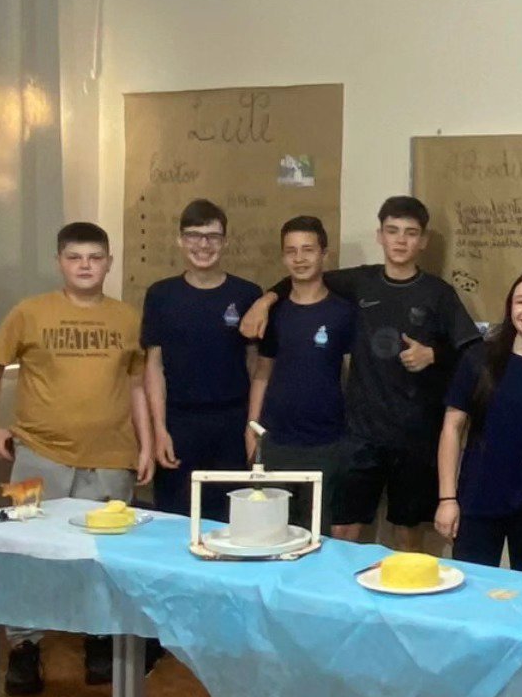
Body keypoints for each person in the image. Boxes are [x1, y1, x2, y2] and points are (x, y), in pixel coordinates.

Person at [240, 197, 479, 549]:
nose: (400, 240)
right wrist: (265, 300)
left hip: (416, 434)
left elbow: (473, 350)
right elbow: (302, 276)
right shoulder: (359, 282)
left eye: (410, 233)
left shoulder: (438, 293)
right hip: (359, 435)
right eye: (392, 231)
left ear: (423, 240)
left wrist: (434, 354)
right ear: (380, 235)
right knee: (342, 532)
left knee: (408, 533)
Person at [0, 221, 152, 696]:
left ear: (108, 263)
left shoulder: (127, 318)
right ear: (60, 263)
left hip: (110, 457)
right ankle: (25, 646)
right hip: (39, 454)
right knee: (28, 553)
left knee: (102, 557)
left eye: (94, 257)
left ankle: (99, 638)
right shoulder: (30, 313)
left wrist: (147, 443)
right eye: (75, 257)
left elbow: (137, 385)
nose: (85, 266)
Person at [435, 271, 522, 573]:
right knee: (472, 585)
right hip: (477, 498)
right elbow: (451, 429)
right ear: (510, 308)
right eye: (521, 301)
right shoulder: (478, 359)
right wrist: (447, 498)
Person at [142, 199, 261, 521]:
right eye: (194, 236)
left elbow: (255, 366)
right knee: (175, 520)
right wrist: (159, 430)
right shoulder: (161, 295)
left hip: (232, 424)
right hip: (179, 423)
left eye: (213, 237)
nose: (203, 245)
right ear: (180, 240)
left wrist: (252, 427)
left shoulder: (247, 294)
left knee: (232, 521)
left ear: (225, 242)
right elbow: (153, 366)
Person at [247, 216, 357, 537]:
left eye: (308, 250)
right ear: (283, 257)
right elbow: (262, 373)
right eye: (291, 251)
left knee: (316, 536)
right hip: (276, 441)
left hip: (326, 443)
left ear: (324, 254)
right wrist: (252, 427)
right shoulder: (275, 313)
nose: (299, 258)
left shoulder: (343, 312)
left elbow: (353, 375)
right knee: (271, 534)